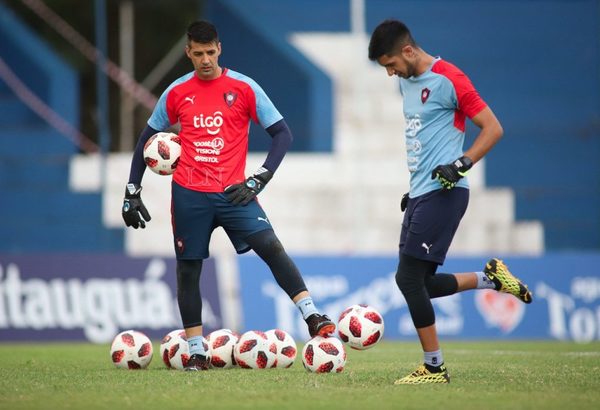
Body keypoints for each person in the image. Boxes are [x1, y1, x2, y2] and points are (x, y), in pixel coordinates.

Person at [121, 20, 335, 371]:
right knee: (188, 270)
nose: (205, 60)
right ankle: (196, 351)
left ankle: (313, 317)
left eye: (210, 52)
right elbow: (146, 140)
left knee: (272, 247)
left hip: (235, 193)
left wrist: (259, 179)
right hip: (189, 194)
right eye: (198, 53)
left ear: (219, 48)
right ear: (188, 52)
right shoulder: (176, 92)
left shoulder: (244, 87)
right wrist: (132, 191)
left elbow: (282, 134)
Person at [368, 20, 532, 384]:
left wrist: (462, 164)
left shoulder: (449, 78)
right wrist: (415, 189)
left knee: (407, 279)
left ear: (408, 51)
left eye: (391, 64)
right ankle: (490, 280)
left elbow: (493, 128)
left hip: (446, 193)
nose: (390, 73)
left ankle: (434, 366)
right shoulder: (406, 85)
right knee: (421, 284)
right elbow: (426, 141)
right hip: (421, 194)